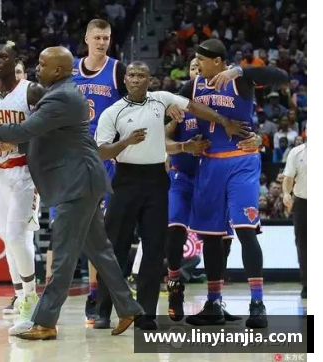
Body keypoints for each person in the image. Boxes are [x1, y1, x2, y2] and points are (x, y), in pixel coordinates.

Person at [0, 46, 144, 341]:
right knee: (100, 251)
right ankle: (129, 307)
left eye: (42, 64)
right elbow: (38, 138)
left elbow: (25, 130)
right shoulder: (60, 95)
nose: (36, 69)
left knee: (64, 258)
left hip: (76, 183)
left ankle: (45, 321)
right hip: (83, 180)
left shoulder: (61, 97)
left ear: (57, 70)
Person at [93, 60, 250, 330]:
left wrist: (223, 120)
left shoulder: (161, 99)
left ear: (149, 80)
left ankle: (145, 314)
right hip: (125, 181)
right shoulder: (113, 112)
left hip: (156, 181)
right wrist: (125, 142)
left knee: (154, 250)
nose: (135, 79)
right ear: (125, 79)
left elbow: (195, 106)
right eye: (131, 74)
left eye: (141, 75)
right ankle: (104, 311)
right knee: (114, 249)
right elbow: (101, 152)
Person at [179, 38, 288, 328]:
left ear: (216, 61)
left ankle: (257, 303)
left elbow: (281, 76)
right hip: (209, 163)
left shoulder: (240, 81)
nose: (196, 65)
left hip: (241, 161)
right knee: (212, 238)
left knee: (245, 231)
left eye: (200, 60)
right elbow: (167, 106)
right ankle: (214, 303)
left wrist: (239, 70)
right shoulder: (193, 86)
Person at [164, 58, 261, 323]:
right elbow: (163, 138)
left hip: (215, 175)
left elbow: (247, 128)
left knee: (221, 243)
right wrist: (183, 147)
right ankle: (175, 287)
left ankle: (215, 300)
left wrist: (258, 138)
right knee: (175, 234)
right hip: (185, 178)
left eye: (201, 69)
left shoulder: (225, 105)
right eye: (193, 69)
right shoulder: (180, 108)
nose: (198, 74)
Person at [0, 38, 45, 335]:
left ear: (16, 60)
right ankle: (21, 294)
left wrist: (14, 142)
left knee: (18, 236)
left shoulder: (31, 91)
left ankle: (30, 297)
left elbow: (47, 131)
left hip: (25, 173)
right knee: (10, 237)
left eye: (3, 57)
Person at [64, 18, 128, 322]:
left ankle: (96, 293)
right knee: (72, 230)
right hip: (73, 157)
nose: (103, 42)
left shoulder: (117, 70)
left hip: (105, 157)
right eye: (98, 37)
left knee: (100, 230)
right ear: (87, 38)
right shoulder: (70, 68)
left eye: (107, 38)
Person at [283, 141, 307, 298]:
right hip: (303, 202)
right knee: (303, 245)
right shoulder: (297, 152)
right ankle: (308, 284)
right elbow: (288, 177)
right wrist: (286, 193)